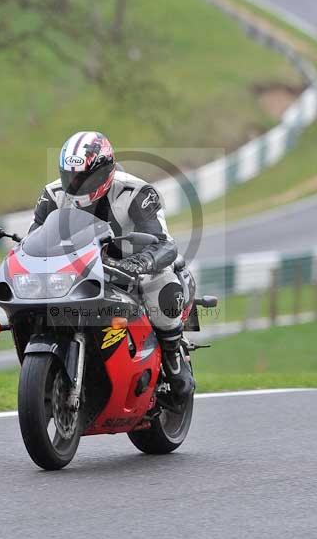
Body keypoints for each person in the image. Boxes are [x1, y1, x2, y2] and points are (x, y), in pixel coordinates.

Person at [29, 130, 194, 401]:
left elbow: (166, 244)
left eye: (86, 177)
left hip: (131, 267)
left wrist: (140, 262)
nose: (77, 184)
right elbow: (34, 239)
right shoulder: (53, 194)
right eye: (71, 176)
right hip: (78, 271)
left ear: (107, 171)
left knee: (162, 286)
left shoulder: (137, 192)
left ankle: (173, 356)